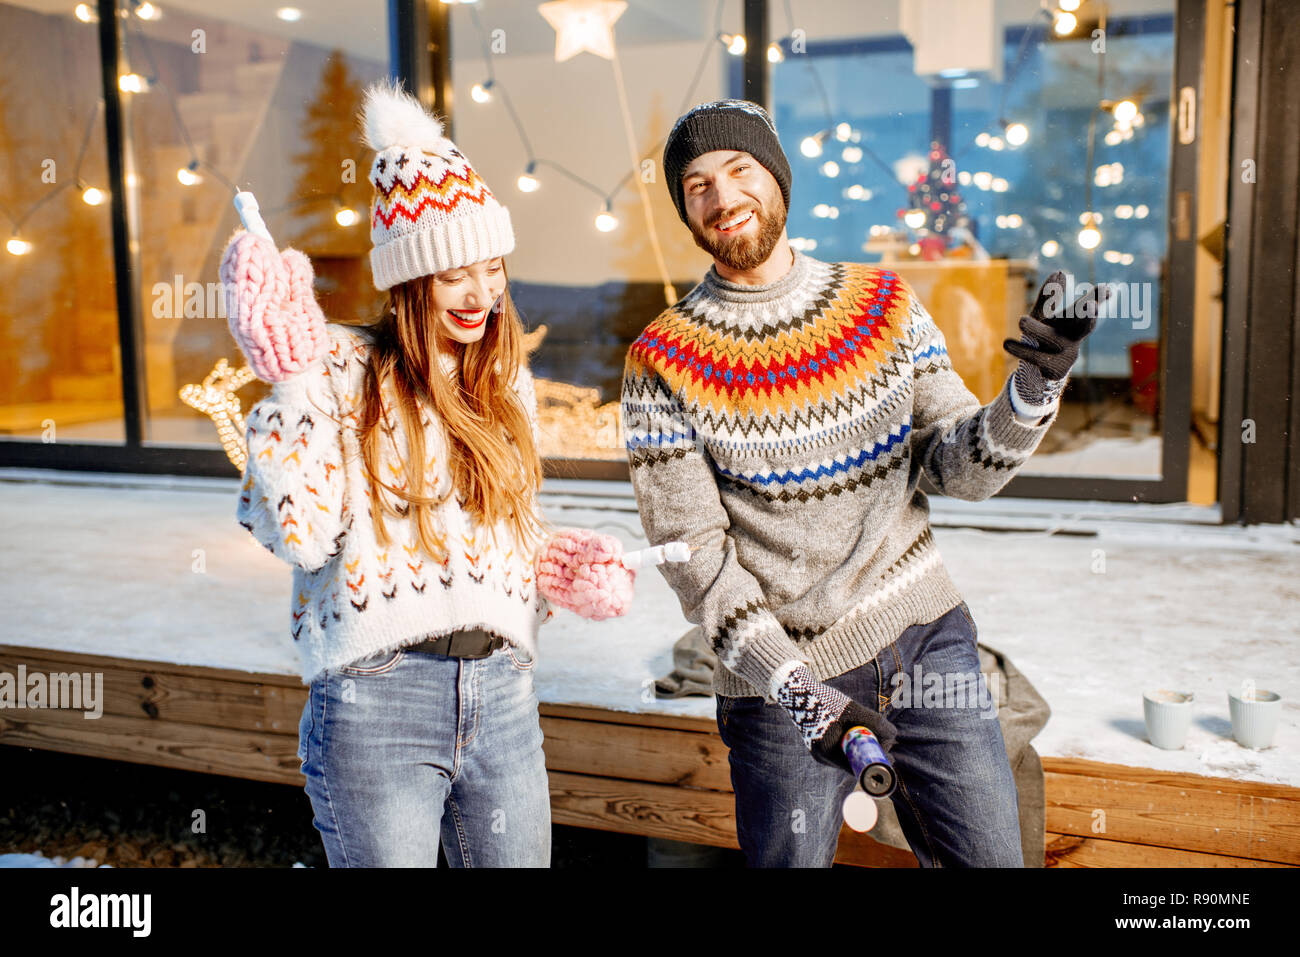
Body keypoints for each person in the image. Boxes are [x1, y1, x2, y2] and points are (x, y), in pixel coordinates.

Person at [621, 99, 1106, 867]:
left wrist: (1032, 391)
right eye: (697, 184)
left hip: (925, 643)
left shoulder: (882, 306)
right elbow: (694, 557)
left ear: (777, 179)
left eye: (739, 170)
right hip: (782, 684)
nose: (721, 197)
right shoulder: (661, 359)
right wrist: (800, 693)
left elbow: (960, 466)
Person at [223, 80, 591, 867]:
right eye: (456, 271)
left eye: (493, 267)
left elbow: (506, 532)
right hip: (377, 698)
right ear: (409, 278)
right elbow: (301, 535)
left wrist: (555, 567)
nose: (482, 293)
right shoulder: (342, 372)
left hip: (502, 693)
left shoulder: (502, 383)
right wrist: (289, 382)